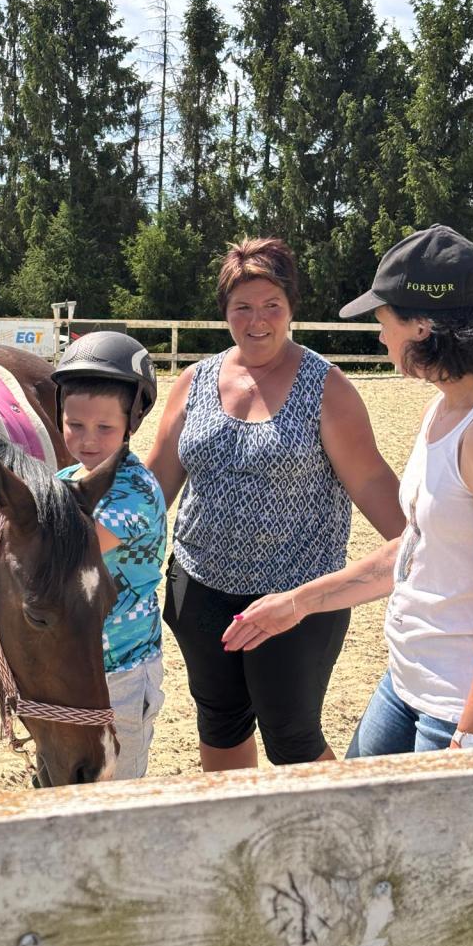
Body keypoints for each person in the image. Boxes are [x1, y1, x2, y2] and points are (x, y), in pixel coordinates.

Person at [223, 224, 473, 757]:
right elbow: (415, 550)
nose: (380, 337)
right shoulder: (445, 407)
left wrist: (469, 742)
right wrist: (298, 603)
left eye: (383, 320)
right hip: (406, 682)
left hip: (458, 707)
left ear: (422, 327)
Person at [146, 237, 404, 771]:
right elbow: (156, 483)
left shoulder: (326, 388)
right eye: (242, 306)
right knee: (219, 721)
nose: (257, 320)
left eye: (271, 305)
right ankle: (238, 821)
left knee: (292, 737)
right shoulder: (194, 381)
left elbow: (371, 478)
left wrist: (428, 542)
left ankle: (333, 826)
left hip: (295, 598)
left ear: (290, 309)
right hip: (199, 586)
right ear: (225, 311)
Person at [52, 332, 167, 779]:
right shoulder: (66, 478)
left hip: (121, 673)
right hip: (72, 668)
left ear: (131, 422)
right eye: (75, 425)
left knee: (118, 789)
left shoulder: (134, 493)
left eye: (105, 428)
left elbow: (69, 550)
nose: (88, 441)